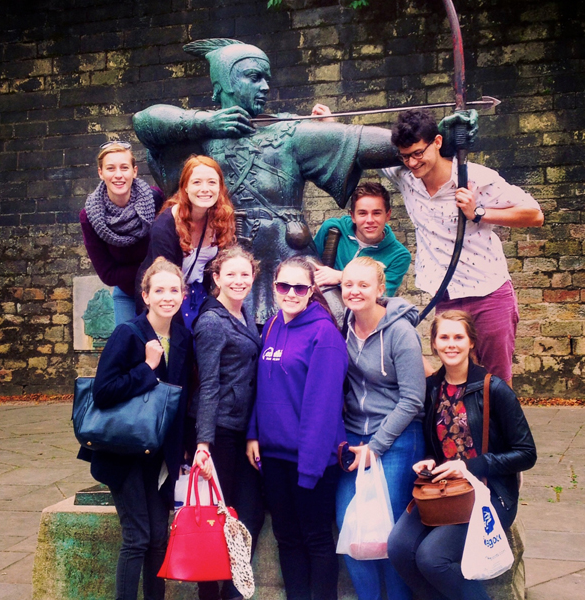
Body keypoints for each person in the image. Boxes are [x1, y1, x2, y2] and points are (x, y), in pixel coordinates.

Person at [133, 38, 473, 324]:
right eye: (253, 77)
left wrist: (439, 136)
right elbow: (145, 122)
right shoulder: (202, 136)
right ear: (224, 84)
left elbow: (362, 143)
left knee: (336, 318)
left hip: (289, 255)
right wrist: (205, 123)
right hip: (231, 266)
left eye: (266, 78)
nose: (265, 87)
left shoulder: (290, 133)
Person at [382, 109, 544, 383]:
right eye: (405, 156)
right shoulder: (406, 177)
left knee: (495, 382)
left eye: (418, 153)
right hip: (446, 296)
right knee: (456, 380)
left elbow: (535, 215)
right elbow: (362, 145)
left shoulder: (475, 178)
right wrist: (329, 123)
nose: (412, 162)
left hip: (489, 294)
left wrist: (478, 212)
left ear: (437, 142)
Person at [387, 310, 537, 600]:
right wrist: (430, 460)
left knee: (432, 558)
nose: (451, 344)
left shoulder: (493, 389)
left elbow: (526, 454)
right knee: (399, 548)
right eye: (444, 337)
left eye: (459, 337)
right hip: (446, 491)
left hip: (490, 494)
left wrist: (469, 466)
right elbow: (438, 444)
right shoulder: (432, 388)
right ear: (434, 343)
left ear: (471, 342)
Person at [77, 257, 194, 600]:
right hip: (123, 450)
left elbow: (183, 398)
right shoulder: (128, 333)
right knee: (137, 538)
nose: (167, 297)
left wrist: (185, 448)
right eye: (159, 291)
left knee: (158, 538)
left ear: (183, 294)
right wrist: (147, 367)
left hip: (159, 454)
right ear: (145, 296)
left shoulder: (183, 337)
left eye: (173, 290)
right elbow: (103, 391)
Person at [246, 256, 348, 600]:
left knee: (316, 539)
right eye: (283, 286)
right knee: (286, 539)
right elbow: (262, 386)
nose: (290, 293)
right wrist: (253, 433)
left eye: (299, 287)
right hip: (274, 457)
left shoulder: (324, 334)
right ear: (274, 287)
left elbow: (323, 408)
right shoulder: (272, 325)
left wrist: (309, 469)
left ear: (311, 290)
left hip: (312, 460)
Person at [336, 256, 426, 600]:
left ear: (379, 289)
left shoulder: (401, 332)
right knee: (349, 525)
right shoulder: (343, 325)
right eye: (348, 284)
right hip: (354, 435)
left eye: (363, 285)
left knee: (390, 530)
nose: (355, 291)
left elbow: (413, 399)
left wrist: (376, 447)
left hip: (398, 435)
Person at [191, 245, 265, 600]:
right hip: (219, 430)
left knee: (250, 512)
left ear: (253, 277)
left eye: (245, 274)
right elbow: (208, 384)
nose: (238, 280)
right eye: (230, 274)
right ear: (216, 278)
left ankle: (234, 592)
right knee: (215, 516)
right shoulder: (211, 322)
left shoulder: (244, 313)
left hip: (241, 429)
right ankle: (210, 593)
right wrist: (203, 444)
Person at [136, 155, 236, 330]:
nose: (205, 189)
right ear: (185, 187)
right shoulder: (166, 225)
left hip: (199, 293)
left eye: (212, 182)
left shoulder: (220, 220)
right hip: (167, 295)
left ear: (220, 187)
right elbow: (161, 277)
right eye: (197, 182)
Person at [80, 141, 165, 324]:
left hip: (162, 288)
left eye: (124, 167)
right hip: (127, 292)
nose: (118, 175)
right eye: (110, 168)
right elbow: (108, 274)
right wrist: (152, 265)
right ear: (101, 173)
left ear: (134, 171)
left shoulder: (155, 199)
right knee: (128, 339)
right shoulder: (90, 217)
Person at [313, 181, 411, 297]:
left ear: (387, 215)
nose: (370, 220)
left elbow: (381, 296)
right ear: (353, 216)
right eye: (362, 213)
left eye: (376, 213)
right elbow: (308, 262)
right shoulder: (332, 228)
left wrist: (341, 276)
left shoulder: (399, 256)